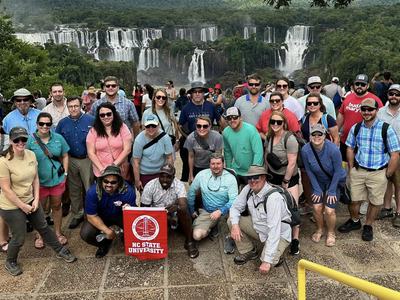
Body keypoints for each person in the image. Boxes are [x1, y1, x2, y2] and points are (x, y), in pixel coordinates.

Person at [0, 127, 76, 276]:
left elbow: (35, 178)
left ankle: (60, 250)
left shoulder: (30, 155)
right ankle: (10, 261)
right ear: (10, 141)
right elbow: (6, 189)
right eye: (16, 140)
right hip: (11, 205)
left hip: (30, 200)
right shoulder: (3, 161)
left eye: (23, 139)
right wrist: (23, 206)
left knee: (44, 227)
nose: (20, 142)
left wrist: (35, 200)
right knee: (19, 236)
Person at [339, 98, 400, 241]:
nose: (366, 112)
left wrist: (388, 173)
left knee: (375, 202)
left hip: (378, 171)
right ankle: (355, 221)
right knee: (353, 200)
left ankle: (368, 225)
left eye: (370, 109)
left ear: (376, 110)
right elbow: (350, 147)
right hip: (359, 170)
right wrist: (351, 166)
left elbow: (395, 154)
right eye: (364, 109)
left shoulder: (386, 129)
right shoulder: (357, 127)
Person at [228, 165, 291, 274]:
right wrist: (234, 225)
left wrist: (267, 261)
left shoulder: (273, 198)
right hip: (260, 228)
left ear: (264, 178)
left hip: (279, 234)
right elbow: (235, 207)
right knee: (231, 221)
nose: (252, 181)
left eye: (256, 177)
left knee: (269, 261)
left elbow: (274, 230)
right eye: (249, 178)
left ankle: (278, 254)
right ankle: (249, 251)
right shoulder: (248, 189)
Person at [27, 112, 69, 248]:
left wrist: (66, 173)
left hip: (56, 179)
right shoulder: (30, 140)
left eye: (48, 124)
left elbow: (65, 155)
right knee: (40, 209)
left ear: (51, 125)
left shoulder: (58, 138)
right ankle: (40, 234)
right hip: (39, 182)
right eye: (41, 123)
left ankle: (57, 232)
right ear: (37, 124)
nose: (45, 126)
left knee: (56, 206)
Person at [301, 124, 346, 247]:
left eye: (319, 134)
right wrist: (316, 188)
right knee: (316, 207)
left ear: (324, 136)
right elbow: (309, 170)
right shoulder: (305, 150)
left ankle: (331, 232)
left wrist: (331, 191)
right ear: (310, 136)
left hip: (334, 180)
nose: (316, 137)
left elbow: (338, 171)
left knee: (329, 210)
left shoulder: (333, 150)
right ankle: (319, 229)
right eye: (313, 134)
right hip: (318, 180)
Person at [141, 163, 199, 258]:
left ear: (173, 177)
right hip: (156, 215)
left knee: (183, 211)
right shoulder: (150, 186)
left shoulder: (178, 184)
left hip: (174, 212)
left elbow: (183, 205)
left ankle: (189, 241)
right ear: (158, 175)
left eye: (168, 177)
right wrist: (164, 215)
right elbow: (144, 209)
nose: (164, 179)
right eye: (162, 176)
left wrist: (174, 209)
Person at [264, 111, 300, 255]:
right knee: (275, 209)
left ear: (284, 123)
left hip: (289, 178)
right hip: (273, 176)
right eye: (273, 121)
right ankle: (278, 235)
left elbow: (292, 163)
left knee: (292, 208)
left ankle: (295, 239)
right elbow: (267, 156)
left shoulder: (290, 139)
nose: (276, 125)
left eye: (279, 122)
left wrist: (285, 181)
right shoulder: (269, 137)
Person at [80, 165, 136, 258]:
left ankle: (124, 237)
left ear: (119, 182)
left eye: (113, 182)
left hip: (120, 216)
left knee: (134, 230)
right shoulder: (93, 192)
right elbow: (91, 216)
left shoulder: (128, 191)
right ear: (101, 180)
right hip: (100, 216)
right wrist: (107, 231)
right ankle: (104, 244)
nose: (109, 185)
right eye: (106, 181)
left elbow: (134, 214)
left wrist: (129, 209)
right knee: (86, 233)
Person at [56, 96, 95, 229]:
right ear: (67, 107)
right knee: (74, 189)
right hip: (70, 159)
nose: (73, 109)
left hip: (87, 159)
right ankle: (78, 214)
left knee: (89, 188)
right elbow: (58, 142)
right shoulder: (62, 123)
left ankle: (92, 215)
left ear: (81, 106)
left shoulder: (91, 120)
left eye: (76, 106)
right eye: (71, 106)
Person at [178, 82, 224, 182]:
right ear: (191, 94)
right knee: (193, 173)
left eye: (200, 91)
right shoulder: (186, 108)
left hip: (209, 142)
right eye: (195, 92)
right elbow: (179, 125)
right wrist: (186, 137)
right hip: (193, 142)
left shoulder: (211, 106)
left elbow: (220, 121)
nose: (198, 94)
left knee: (212, 169)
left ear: (204, 93)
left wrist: (224, 132)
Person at [188, 153, 238, 242]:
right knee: (196, 235)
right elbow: (191, 192)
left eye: (218, 163)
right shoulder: (202, 175)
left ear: (223, 164)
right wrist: (192, 210)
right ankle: (211, 227)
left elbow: (234, 200)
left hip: (226, 212)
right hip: (208, 212)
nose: (215, 166)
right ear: (209, 165)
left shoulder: (230, 178)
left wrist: (221, 211)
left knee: (235, 227)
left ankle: (223, 227)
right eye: (213, 164)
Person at [337, 74, 383, 161]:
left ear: (367, 86)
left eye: (363, 84)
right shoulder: (348, 97)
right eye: (357, 84)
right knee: (346, 167)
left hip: (364, 143)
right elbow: (341, 114)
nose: (359, 86)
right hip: (345, 140)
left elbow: (381, 118)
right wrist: (336, 132)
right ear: (354, 85)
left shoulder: (375, 100)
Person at [86, 102, 133, 180]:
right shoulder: (93, 131)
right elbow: (91, 153)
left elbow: (127, 149)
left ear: (114, 114)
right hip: (101, 171)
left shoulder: (123, 127)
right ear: (99, 117)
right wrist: (102, 169)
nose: (106, 117)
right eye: (102, 115)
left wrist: (114, 166)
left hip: (121, 170)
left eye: (108, 114)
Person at [377, 84, 400, 227]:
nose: (394, 97)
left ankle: (399, 212)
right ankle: (386, 208)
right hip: (383, 152)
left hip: (398, 153)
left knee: (399, 184)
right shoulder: (380, 112)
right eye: (391, 94)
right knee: (386, 180)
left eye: (397, 94)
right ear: (387, 95)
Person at [223, 107, 263, 186]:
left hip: (251, 172)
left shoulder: (251, 130)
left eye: (235, 117)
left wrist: (254, 172)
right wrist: (229, 169)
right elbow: (227, 152)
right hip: (236, 170)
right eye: (229, 118)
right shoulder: (226, 132)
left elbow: (258, 152)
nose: (232, 120)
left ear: (240, 118)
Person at [132, 114, 173, 191]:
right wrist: (137, 180)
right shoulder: (139, 140)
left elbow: (169, 157)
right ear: (144, 126)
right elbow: (136, 162)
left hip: (161, 172)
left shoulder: (165, 137)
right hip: (145, 173)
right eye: (148, 126)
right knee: (146, 198)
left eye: (153, 126)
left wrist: (169, 174)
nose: (151, 128)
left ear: (158, 125)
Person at [184, 116, 223, 183]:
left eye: (205, 126)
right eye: (199, 126)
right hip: (198, 167)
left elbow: (218, 157)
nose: (202, 129)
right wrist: (191, 175)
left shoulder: (217, 137)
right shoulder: (191, 138)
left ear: (210, 126)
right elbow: (191, 156)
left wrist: (218, 173)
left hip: (212, 167)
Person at [142, 88, 179, 153]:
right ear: (154, 98)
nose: (161, 99)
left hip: (168, 145)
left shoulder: (169, 111)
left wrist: (177, 140)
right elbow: (143, 130)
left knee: (169, 162)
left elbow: (175, 126)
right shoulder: (147, 112)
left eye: (163, 97)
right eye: (158, 97)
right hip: (154, 146)